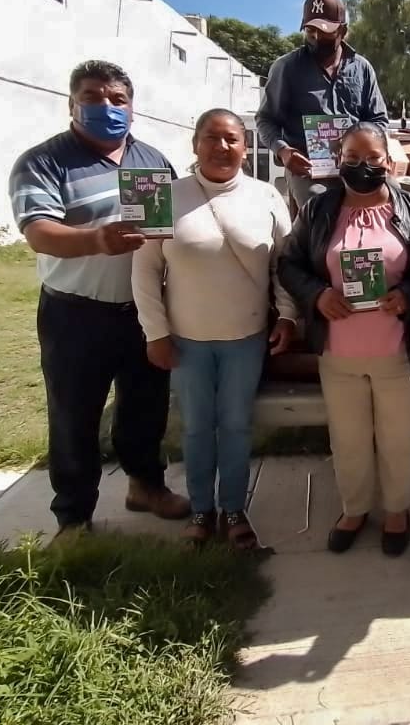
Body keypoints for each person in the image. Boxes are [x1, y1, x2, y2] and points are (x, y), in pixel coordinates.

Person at [8, 60, 190, 537]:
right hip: (76, 314)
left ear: (133, 108)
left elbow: (170, 227)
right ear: (72, 104)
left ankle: (145, 485)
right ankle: (73, 517)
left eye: (117, 99)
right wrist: (96, 240)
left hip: (143, 311)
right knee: (74, 417)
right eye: (92, 97)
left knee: (146, 408)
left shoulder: (153, 160)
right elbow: (39, 232)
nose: (105, 107)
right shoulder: (43, 161)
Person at [278, 122, 410, 556]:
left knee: (397, 437)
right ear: (338, 163)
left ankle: (396, 510)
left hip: (399, 350)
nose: (362, 167)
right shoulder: (317, 212)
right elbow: (289, 264)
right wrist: (317, 296)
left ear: (389, 162)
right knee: (348, 437)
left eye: (373, 159)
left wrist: (408, 295)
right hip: (338, 352)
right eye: (351, 159)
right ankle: (354, 509)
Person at [131, 109, 299, 547]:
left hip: (246, 338)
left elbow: (285, 266)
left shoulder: (267, 196)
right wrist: (156, 333)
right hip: (186, 341)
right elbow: (144, 272)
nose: (221, 147)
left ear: (246, 147)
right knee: (195, 428)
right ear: (194, 143)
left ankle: (234, 509)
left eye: (231, 139)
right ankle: (201, 512)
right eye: (211, 138)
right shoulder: (162, 196)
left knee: (238, 426)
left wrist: (287, 316)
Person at [256, 0, 390, 208]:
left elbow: (379, 120)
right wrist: (284, 151)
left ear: (343, 31)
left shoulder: (362, 68)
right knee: (321, 214)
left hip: (359, 166)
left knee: (395, 202)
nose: (316, 38)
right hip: (308, 171)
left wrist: (366, 151)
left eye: (325, 32)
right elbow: (265, 120)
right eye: (310, 31)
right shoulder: (286, 68)